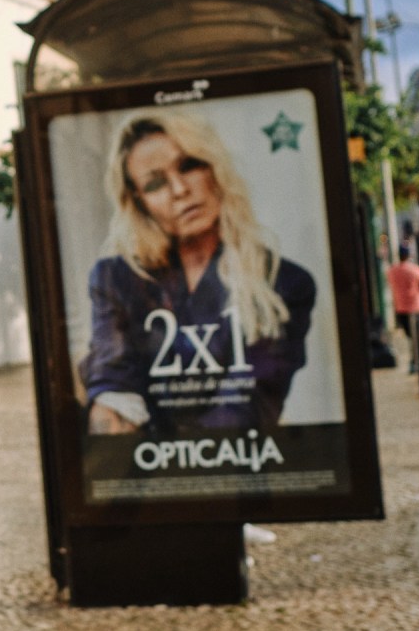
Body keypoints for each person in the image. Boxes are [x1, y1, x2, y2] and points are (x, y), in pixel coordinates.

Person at [79, 109, 316, 436]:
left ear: (214, 167)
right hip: (147, 473)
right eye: (155, 183)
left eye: (189, 165)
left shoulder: (282, 282)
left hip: (239, 469)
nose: (179, 190)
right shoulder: (116, 279)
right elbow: (113, 383)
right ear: (138, 201)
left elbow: (251, 401)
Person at [386, 243, 419, 374]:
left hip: (401, 308)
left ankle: (415, 361)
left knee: (411, 337)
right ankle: (417, 361)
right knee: (417, 335)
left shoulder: (392, 271)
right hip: (418, 306)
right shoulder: (416, 270)